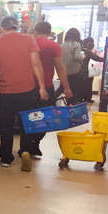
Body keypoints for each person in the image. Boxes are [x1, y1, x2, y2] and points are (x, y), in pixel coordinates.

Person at [0, 16, 48, 171]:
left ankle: (6, 158)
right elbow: (36, 63)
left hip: (6, 92)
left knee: (6, 125)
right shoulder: (29, 40)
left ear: (2, 28)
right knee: (26, 122)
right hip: (27, 90)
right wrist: (42, 87)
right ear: (16, 27)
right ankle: (25, 150)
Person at [31, 22, 73, 158]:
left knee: (27, 116)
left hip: (27, 87)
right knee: (46, 117)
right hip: (47, 87)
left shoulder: (29, 43)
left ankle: (27, 146)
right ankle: (35, 143)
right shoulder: (53, 46)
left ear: (36, 31)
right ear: (49, 32)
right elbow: (60, 68)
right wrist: (66, 87)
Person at [61, 28, 86, 99]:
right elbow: (77, 57)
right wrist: (83, 56)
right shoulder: (76, 44)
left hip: (63, 72)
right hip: (74, 72)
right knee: (74, 92)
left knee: (63, 89)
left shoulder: (62, 45)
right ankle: (72, 107)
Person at [78, 37, 104, 103]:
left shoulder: (81, 49)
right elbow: (96, 58)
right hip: (85, 71)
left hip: (79, 71)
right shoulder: (87, 51)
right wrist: (105, 59)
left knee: (82, 85)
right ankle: (87, 99)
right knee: (87, 85)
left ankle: (81, 99)